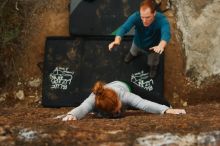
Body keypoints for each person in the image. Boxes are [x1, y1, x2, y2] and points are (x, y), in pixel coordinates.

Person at [61, 81, 186, 121]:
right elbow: (83, 107)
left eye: (117, 107)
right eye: (114, 111)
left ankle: (167, 105)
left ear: (118, 99)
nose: (118, 111)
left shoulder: (123, 95)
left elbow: (143, 103)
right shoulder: (93, 98)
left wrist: (166, 109)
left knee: (159, 101)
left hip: (125, 85)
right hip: (103, 100)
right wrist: (72, 114)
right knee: (83, 107)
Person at [108, 0, 171, 78]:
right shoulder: (136, 16)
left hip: (153, 48)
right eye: (142, 17)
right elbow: (124, 28)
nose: (144, 21)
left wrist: (161, 45)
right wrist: (117, 40)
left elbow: (166, 33)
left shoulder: (162, 20)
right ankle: (132, 55)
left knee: (153, 62)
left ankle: (153, 67)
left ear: (154, 13)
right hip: (137, 42)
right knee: (133, 51)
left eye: (148, 17)